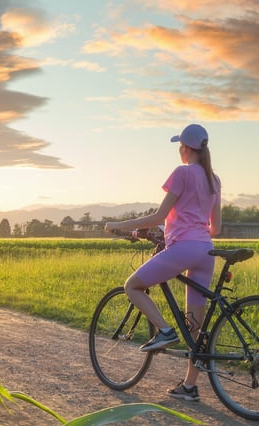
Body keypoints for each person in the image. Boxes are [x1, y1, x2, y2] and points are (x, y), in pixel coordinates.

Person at [103, 123, 221, 402]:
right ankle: (189, 387)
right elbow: (215, 227)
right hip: (206, 250)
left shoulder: (182, 172)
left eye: (179, 146)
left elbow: (159, 215)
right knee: (195, 326)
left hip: (183, 248)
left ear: (184, 148)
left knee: (132, 286)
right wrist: (180, 228)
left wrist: (119, 225)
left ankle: (165, 331)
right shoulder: (213, 179)